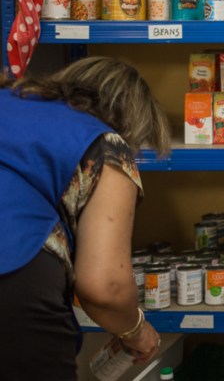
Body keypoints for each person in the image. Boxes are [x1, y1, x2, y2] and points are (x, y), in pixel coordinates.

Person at [0, 56, 171, 379]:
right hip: (11, 278)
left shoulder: (8, 101)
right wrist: (136, 331)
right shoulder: (104, 143)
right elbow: (105, 286)